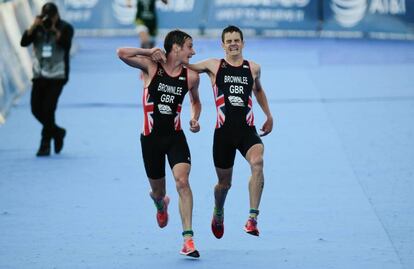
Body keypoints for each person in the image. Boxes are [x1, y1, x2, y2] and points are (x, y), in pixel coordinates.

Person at [117, 29, 201, 258]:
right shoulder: (151, 67)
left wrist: (195, 118)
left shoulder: (191, 76)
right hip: (151, 140)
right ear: (176, 47)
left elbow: (196, 102)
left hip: (175, 138)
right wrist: (148, 50)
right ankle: (160, 203)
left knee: (182, 182)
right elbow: (121, 53)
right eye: (189, 46)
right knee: (158, 191)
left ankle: (188, 239)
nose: (193, 52)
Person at [187, 25, 273, 238]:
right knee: (224, 185)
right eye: (229, 41)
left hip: (247, 132)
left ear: (243, 43)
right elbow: (185, 67)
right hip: (223, 135)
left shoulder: (253, 68)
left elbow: (259, 90)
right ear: (223, 45)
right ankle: (218, 211)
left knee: (258, 163)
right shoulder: (214, 66)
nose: (233, 44)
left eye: (237, 40)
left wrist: (268, 115)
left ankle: (252, 218)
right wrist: (159, 57)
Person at [20, 2, 74, 157]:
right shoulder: (38, 27)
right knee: (36, 109)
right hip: (39, 75)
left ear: (57, 15)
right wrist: (33, 26)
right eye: (46, 17)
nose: (48, 19)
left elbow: (66, 44)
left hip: (57, 75)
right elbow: (24, 42)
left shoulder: (66, 27)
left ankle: (44, 145)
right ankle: (58, 132)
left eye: (51, 17)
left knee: (48, 109)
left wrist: (54, 30)